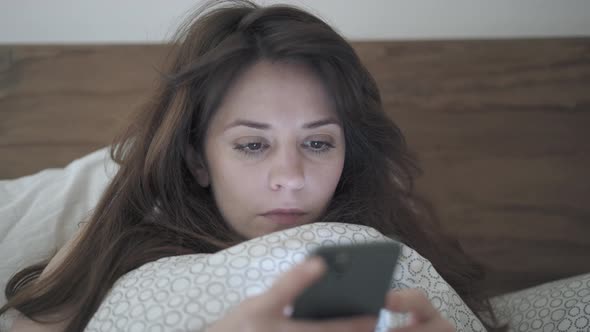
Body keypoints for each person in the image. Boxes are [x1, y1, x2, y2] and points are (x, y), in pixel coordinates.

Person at [1, 1, 504, 331]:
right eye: (252, 145)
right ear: (198, 158)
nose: (291, 175)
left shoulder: (377, 236)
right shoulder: (120, 243)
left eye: (318, 142)